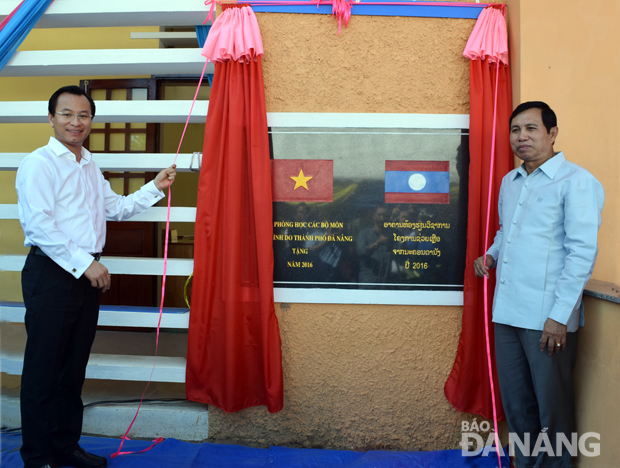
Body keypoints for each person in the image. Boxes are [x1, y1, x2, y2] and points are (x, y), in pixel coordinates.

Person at [15, 85, 177, 468]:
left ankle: (65, 446)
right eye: (67, 114)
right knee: (43, 372)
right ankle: (38, 457)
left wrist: (155, 187)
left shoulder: (89, 164)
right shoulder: (38, 163)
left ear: (91, 120)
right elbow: (40, 227)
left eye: (83, 115)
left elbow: (116, 208)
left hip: (84, 278)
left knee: (73, 369)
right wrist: (86, 264)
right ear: (51, 117)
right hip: (52, 275)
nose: (76, 122)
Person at [474, 101, 604, 467]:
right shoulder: (510, 182)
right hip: (508, 313)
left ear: (552, 133)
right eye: (515, 130)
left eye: (531, 128)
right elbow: (507, 231)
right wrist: (491, 255)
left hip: (548, 319)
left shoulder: (577, 182)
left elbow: (581, 254)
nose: (522, 137)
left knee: (553, 412)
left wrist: (559, 316)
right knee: (518, 408)